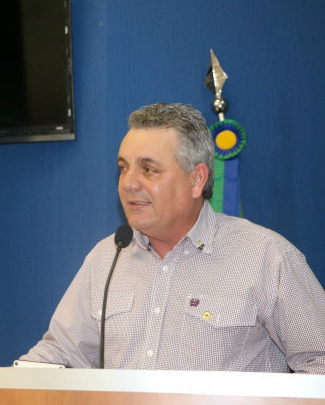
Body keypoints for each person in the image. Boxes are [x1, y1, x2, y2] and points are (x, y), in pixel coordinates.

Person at [20, 103, 325, 373]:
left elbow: (319, 361)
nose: (128, 183)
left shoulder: (265, 256)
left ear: (197, 179)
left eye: (148, 169)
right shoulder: (106, 258)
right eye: (123, 169)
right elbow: (60, 356)